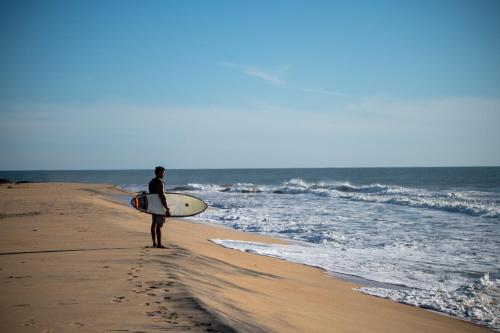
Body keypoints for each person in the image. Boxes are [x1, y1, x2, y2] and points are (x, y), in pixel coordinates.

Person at [148, 166, 171, 248]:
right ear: (158, 173)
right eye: (163, 173)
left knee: (154, 223)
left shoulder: (151, 182)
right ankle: (159, 244)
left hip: (152, 204)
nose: (164, 174)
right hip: (159, 205)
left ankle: (154, 243)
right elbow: (162, 196)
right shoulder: (160, 182)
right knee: (159, 225)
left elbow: (151, 194)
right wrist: (167, 208)